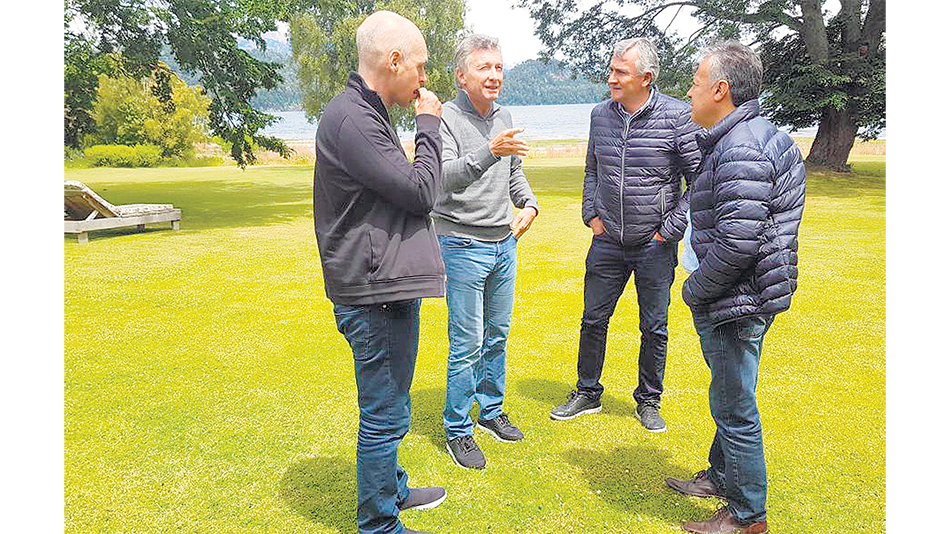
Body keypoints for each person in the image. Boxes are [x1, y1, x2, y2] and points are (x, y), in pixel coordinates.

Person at [312, 11, 448, 534]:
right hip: (373, 291)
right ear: (393, 61)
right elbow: (420, 192)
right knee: (385, 414)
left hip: (379, 283)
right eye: (420, 65)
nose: (422, 78)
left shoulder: (364, 114)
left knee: (391, 404)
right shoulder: (353, 120)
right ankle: (379, 524)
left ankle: (391, 489)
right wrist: (430, 125)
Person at [664, 41, 806, 534]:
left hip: (733, 300)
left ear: (721, 90)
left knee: (734, 405)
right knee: (732, 391)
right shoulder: (752, 136)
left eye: (697, 83)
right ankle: (722, 477)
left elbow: (739, 242)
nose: (689, 91)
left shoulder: (740, 147)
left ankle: (747, 517)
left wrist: (694, 288)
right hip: (748, 295)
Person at [550, 37, 702, 432]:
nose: (611, 78)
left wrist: (668, 230)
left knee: (654, 325)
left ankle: (649, 401)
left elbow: (700, 180)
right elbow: (592, 170)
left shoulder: (678, 117)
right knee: (592, 318)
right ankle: (587, 392)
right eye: (612, 69)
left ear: (646, 78)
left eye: (620, 72)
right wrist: (591, 216)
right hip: (607, 241)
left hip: (654, 245)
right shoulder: (600, 114)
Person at [433, 34, 539, 470]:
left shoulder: (505, 116)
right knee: (466, 344)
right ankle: (458, 429)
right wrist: (489, 150)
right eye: (484, 68)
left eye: (498, 67)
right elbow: (442, 178)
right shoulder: (445, 119)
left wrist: (530, 203)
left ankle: (490, 412)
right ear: (461, 76)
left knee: (497, 335)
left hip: (503, 244)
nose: (494, 75)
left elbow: (514, 175)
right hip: (461, 244)